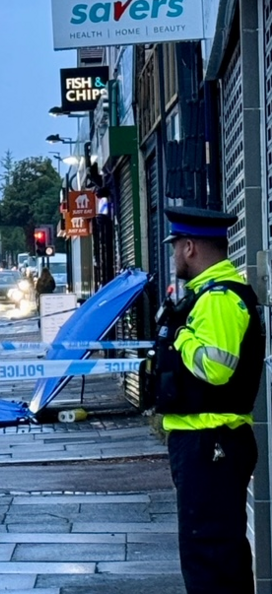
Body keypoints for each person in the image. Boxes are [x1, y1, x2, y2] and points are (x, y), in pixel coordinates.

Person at [151, 206, 264, 593]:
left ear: (190, 247)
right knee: (214, 555)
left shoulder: (217, 299)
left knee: (210, 560)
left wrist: (181, 336)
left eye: (175, 247)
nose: (174, 256)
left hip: (210, 444)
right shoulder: (208, 296)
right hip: (207, 444)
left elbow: (217, 368)